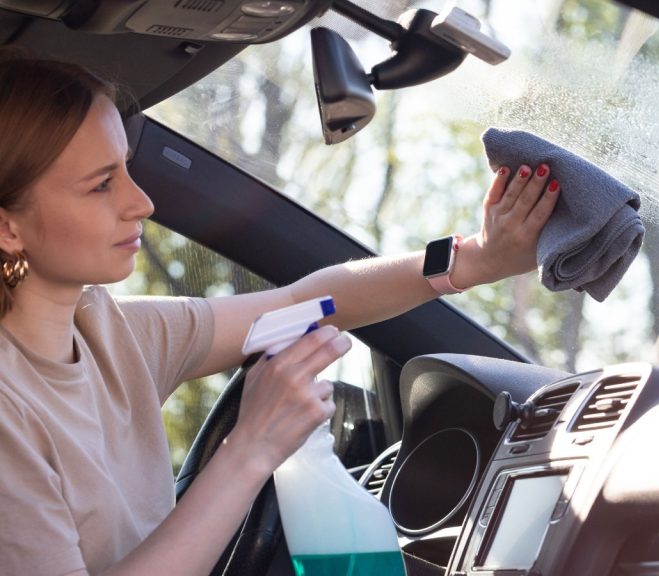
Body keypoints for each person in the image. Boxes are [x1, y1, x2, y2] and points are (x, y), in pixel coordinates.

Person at [0, 50, 560, 576]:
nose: (141, 202)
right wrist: (252, 447)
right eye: (101, 184)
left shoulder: (110, 329)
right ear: (8, 226)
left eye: (125, 166)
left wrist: (476, 260)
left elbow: (306, 303)